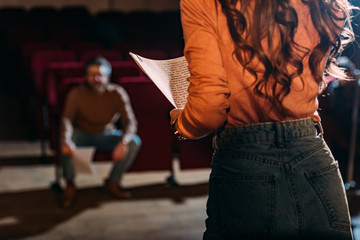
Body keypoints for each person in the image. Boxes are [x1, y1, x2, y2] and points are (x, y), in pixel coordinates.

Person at [170, 0, 356, 239]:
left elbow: (208, 110)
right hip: (312, 151)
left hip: (245, 156)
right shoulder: (326, 3)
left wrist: (181, 123)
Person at [61, 56, 141, 208]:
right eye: (92, 74)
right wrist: (67, 140)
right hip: (82, 134)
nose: (96, 78)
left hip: (106, 134)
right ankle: (70, 184)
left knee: (134, 142)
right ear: (85, 76)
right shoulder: (76, 93)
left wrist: (123, 142)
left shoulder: (117, 93)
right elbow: (67, 120)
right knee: (66, 139)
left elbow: (130, 122)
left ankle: (113, 182)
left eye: (100, 75)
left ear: (107, 77)